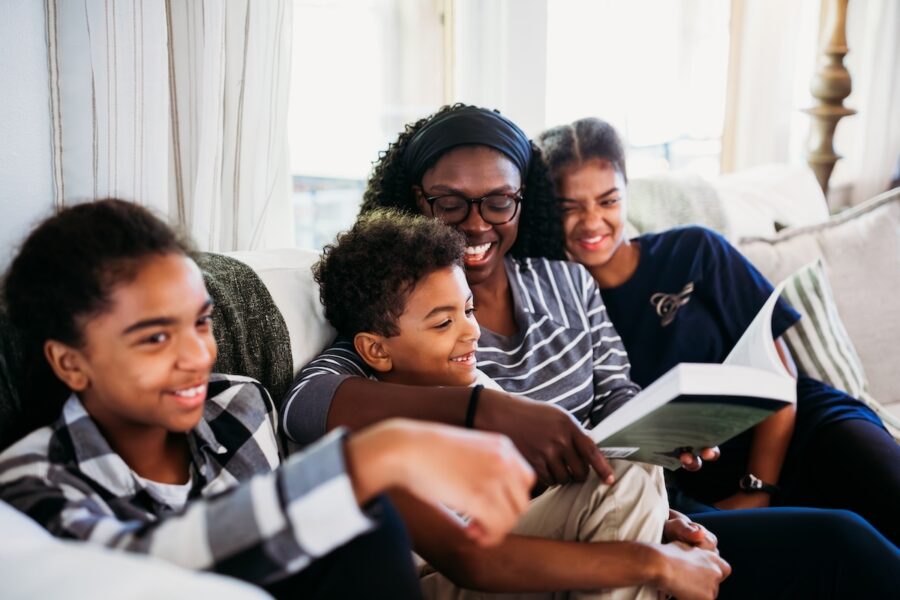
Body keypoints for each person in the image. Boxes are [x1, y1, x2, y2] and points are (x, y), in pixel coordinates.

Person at [0, 199, 536, 599]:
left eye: (201, 322)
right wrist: (363, 460)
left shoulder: (237, 405)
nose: (196, 355)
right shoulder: (31, 478)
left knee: (362, 519)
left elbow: (285, 561)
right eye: (156, 337)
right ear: (70, 361)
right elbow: (136, 572)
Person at [311, 207, 730, 599]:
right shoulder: (374, 435)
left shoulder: (475, 385)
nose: (472, 332)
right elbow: (469, 560)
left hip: (495, 549)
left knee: (627, 463)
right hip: (434, 578)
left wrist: (658, 518)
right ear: (376, 350)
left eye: (469, 310)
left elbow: (550, 484)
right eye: (443, 322)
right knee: (620, 479)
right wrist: (652, 560)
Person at [534, 117, 900, 544]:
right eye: (570, 207)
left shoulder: (695, 250)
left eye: (608, 200)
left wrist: (758, 488)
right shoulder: (559, 308)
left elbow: (781, 377)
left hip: (806, 431)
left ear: (626, 195)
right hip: (701, 489)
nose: (592, 221)